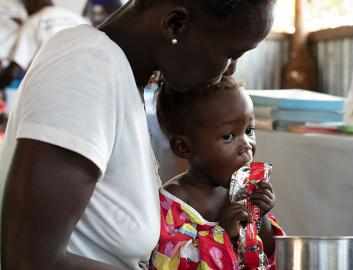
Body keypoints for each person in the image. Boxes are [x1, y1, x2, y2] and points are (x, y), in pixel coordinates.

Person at [0, 0, 275, 269]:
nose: (230, 70)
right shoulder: (85, 68)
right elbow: (29, 260)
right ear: (175, 24)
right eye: (230, 54)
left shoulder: (120, 77)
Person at [151, 77, 284, 269]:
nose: (247, 145)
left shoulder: (241, 196)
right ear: (184, 147)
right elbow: (170, 264)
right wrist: (223, 235)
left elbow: (269, 260)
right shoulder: (172, 205)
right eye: (228, 136)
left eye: (249, 130)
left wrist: (261, 220)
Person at [0, 0, 88, 89]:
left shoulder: (33, 21)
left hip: (54, 80)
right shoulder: (77, 18)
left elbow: (16, 67)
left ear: (30, 6)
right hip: (84, 73)